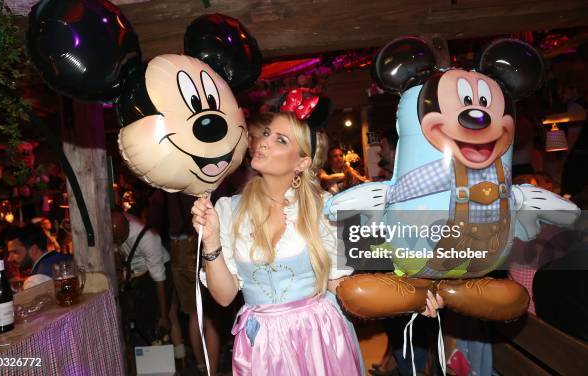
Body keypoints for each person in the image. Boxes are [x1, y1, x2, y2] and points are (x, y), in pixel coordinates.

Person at [192, 111, 442, 375]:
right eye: (266, 134)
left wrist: (413, 296)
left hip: (319, 337)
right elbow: (224, 296)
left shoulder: (324, 207)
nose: (264, 142)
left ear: (301, 163)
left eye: (280, 140)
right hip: (262, 345)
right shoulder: (229, 210)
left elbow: (341, 285)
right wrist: (210, 241)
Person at [111, 209, 173, 346]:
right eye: (116, 239)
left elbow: (159, 277)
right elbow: (116, 253)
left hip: (158, 269)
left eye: (121, 238)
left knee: (158, 316)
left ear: (128, 225)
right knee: (139, 316)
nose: (118, 241)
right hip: (135, 272)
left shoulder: (148, 238)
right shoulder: (113, 226)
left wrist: (163, 315)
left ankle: (172, 352)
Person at [6, 223, 72, 289]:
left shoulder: (34, 282)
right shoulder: (66, 259)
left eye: (15, 252)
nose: (9, 259)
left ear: (33, 250)